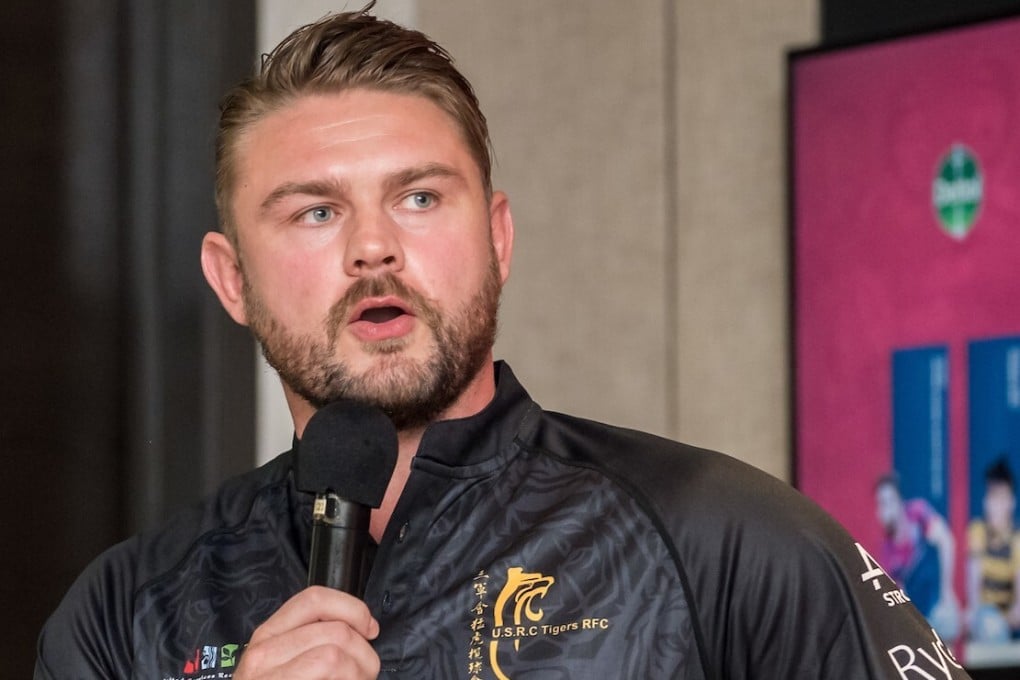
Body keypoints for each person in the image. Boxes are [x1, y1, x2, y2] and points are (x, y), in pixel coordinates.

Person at [35, 5, 972, 679]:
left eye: (418, 197)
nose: (374, 247)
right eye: (316, 212)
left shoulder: (728, 543)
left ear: (498, 238)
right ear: (232, 278)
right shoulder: (127, 616)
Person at [873, 473, 961, 641]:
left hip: (939, 605)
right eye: (881, 504)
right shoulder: (887, 552)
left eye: (889, 501)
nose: (885, 509)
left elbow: (947, 541)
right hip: (920, 619)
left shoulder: (918, 513)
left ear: (900, 500)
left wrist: (947, 591)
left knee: (949, 621)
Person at [967, 457, 1020, 642]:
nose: (996, 506)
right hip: (984, 617)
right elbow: (974, 577)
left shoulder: (1016, 540)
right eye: (992, 498)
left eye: (1001, 499)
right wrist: (973, 613)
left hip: (1008, 621)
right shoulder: (978, 531)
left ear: (1011, 502)